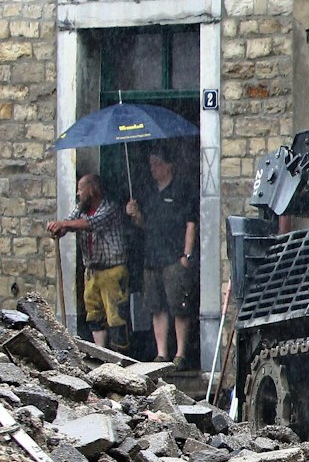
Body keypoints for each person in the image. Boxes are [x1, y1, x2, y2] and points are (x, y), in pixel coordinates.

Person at [126, 148, 197, 367]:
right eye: (151, 165)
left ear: (169, 166)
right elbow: (144, 226)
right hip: (152, 256)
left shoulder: (182, 190)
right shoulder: (148, 193)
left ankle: (181, 353)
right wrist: (135, 215)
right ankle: (162, 353)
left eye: (157, 164)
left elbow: (190, 223)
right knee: (157, 306)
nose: (153, 169)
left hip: (174, 256)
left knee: (179, 305)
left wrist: (186, 254)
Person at [45, 174, 129, 348]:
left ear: (92, 190)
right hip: (92, 270)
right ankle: (101, 351)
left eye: (81, 189)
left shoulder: (109, 208)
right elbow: (69, 222)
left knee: (116, 316)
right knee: (94, 314)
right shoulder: (81, 208)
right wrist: (59, 229)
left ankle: (120, 357)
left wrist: (64, 225)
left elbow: (90, 223)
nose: (78, 193)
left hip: (112, 269)